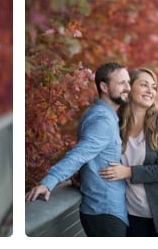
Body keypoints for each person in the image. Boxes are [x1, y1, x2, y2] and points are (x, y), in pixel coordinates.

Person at [25, 62, 131, 237]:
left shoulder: (98, 113)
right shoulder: (103, 121)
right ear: (104, 87)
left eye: (128, 82)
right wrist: (49, 181)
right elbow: (79, 154)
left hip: (106, 209)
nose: (127, 87)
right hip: (105, 211)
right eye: (121, 83)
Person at [99, 68, 158, 237]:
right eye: (144, 85)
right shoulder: (115, 124)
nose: (151, 91)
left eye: (154, 87)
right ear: (129, 88)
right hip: (131, 216)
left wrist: (128, 172)